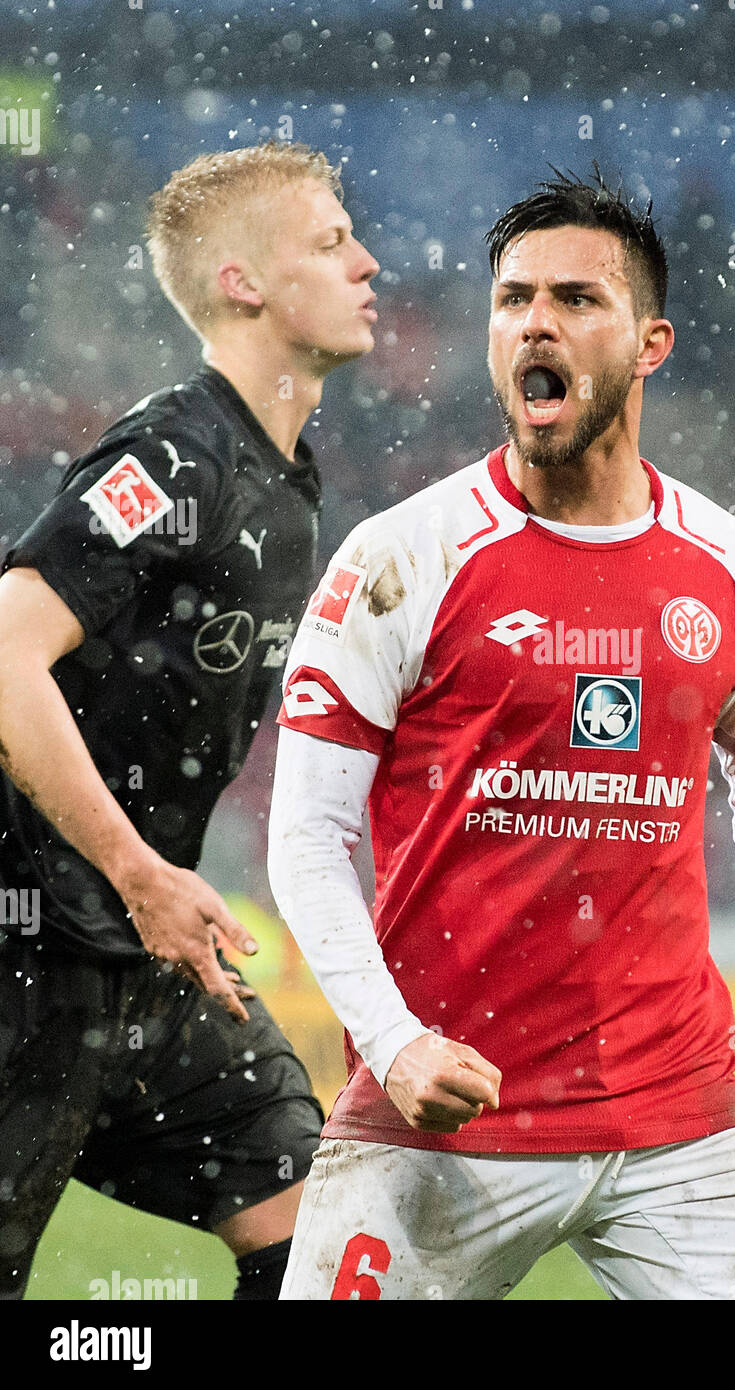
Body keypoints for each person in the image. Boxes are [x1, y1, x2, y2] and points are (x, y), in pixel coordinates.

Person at [268, 168, 735, 1302]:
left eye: (578, 299)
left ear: (650, 343)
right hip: (436, 1112)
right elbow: (307, 834)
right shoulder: (400, 558)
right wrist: (393, 1044)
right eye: (513, 298)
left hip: (677, 1115)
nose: (535, 321)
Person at [0, 141, 380, 1299]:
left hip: (142, 958)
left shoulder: (287, 478)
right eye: (330, 242)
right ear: (241, 283)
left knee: (323, 1239)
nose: (367, 261)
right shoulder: (178, 453)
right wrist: (137, 869)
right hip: (28, 953)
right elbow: (5, 646)